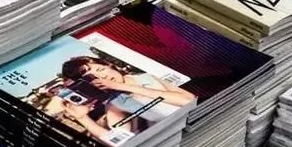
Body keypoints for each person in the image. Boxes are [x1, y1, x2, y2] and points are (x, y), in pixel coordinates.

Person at [61, 56, 196, 123]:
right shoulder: (115, 103)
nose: (103, 77)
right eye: (94, 78)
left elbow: (188, 100)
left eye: (101, 70)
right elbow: (119, 139)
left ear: (109, 65)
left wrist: (121, 86)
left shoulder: (148, 75)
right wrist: (83, 118)